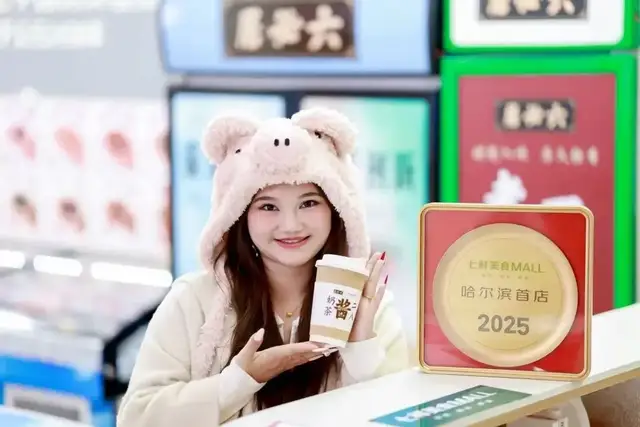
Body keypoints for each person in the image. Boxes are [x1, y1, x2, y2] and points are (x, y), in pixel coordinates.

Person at [117, 108, 410, 427]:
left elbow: (403, 417)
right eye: (268, 206)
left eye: (309, 203)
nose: (290, 224)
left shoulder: (369, 308)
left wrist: (361, 346)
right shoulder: (194, 300)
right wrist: (239, 381)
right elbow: (136, 418)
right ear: (239, 215)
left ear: (337, 210)